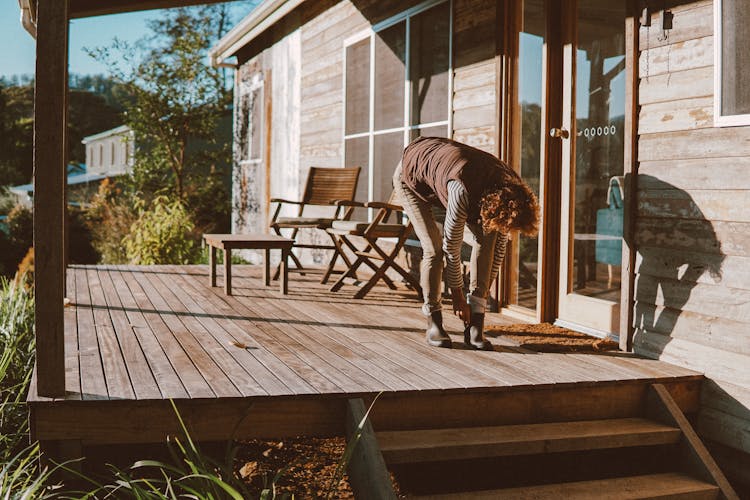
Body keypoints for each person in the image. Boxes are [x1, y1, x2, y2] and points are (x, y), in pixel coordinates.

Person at [393, 137, 539, 350]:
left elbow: (499, 249)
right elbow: (451, 246)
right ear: (492, 207)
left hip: (449, 176)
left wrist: (479, 301)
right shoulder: (462, 189)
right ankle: (434, 321)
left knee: (487, 240)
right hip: (411, 176)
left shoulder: (513, 187)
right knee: (434, 249)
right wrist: (458, 297)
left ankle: (475, 327)